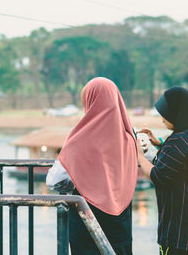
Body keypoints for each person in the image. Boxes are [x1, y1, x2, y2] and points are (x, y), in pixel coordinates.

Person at [46, 77, 138, 255]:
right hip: (121, 223)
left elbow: (54, 181)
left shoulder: (80, 139)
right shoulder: (128, 137)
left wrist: (79, 182)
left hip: (87, 223)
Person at [136, 87, 188, 255]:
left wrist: (139, 156)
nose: (162, 119)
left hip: (178, 233)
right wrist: (160, 144)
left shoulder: (178, 141)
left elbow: (158, 176)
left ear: (177, 113)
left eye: (166, 113)